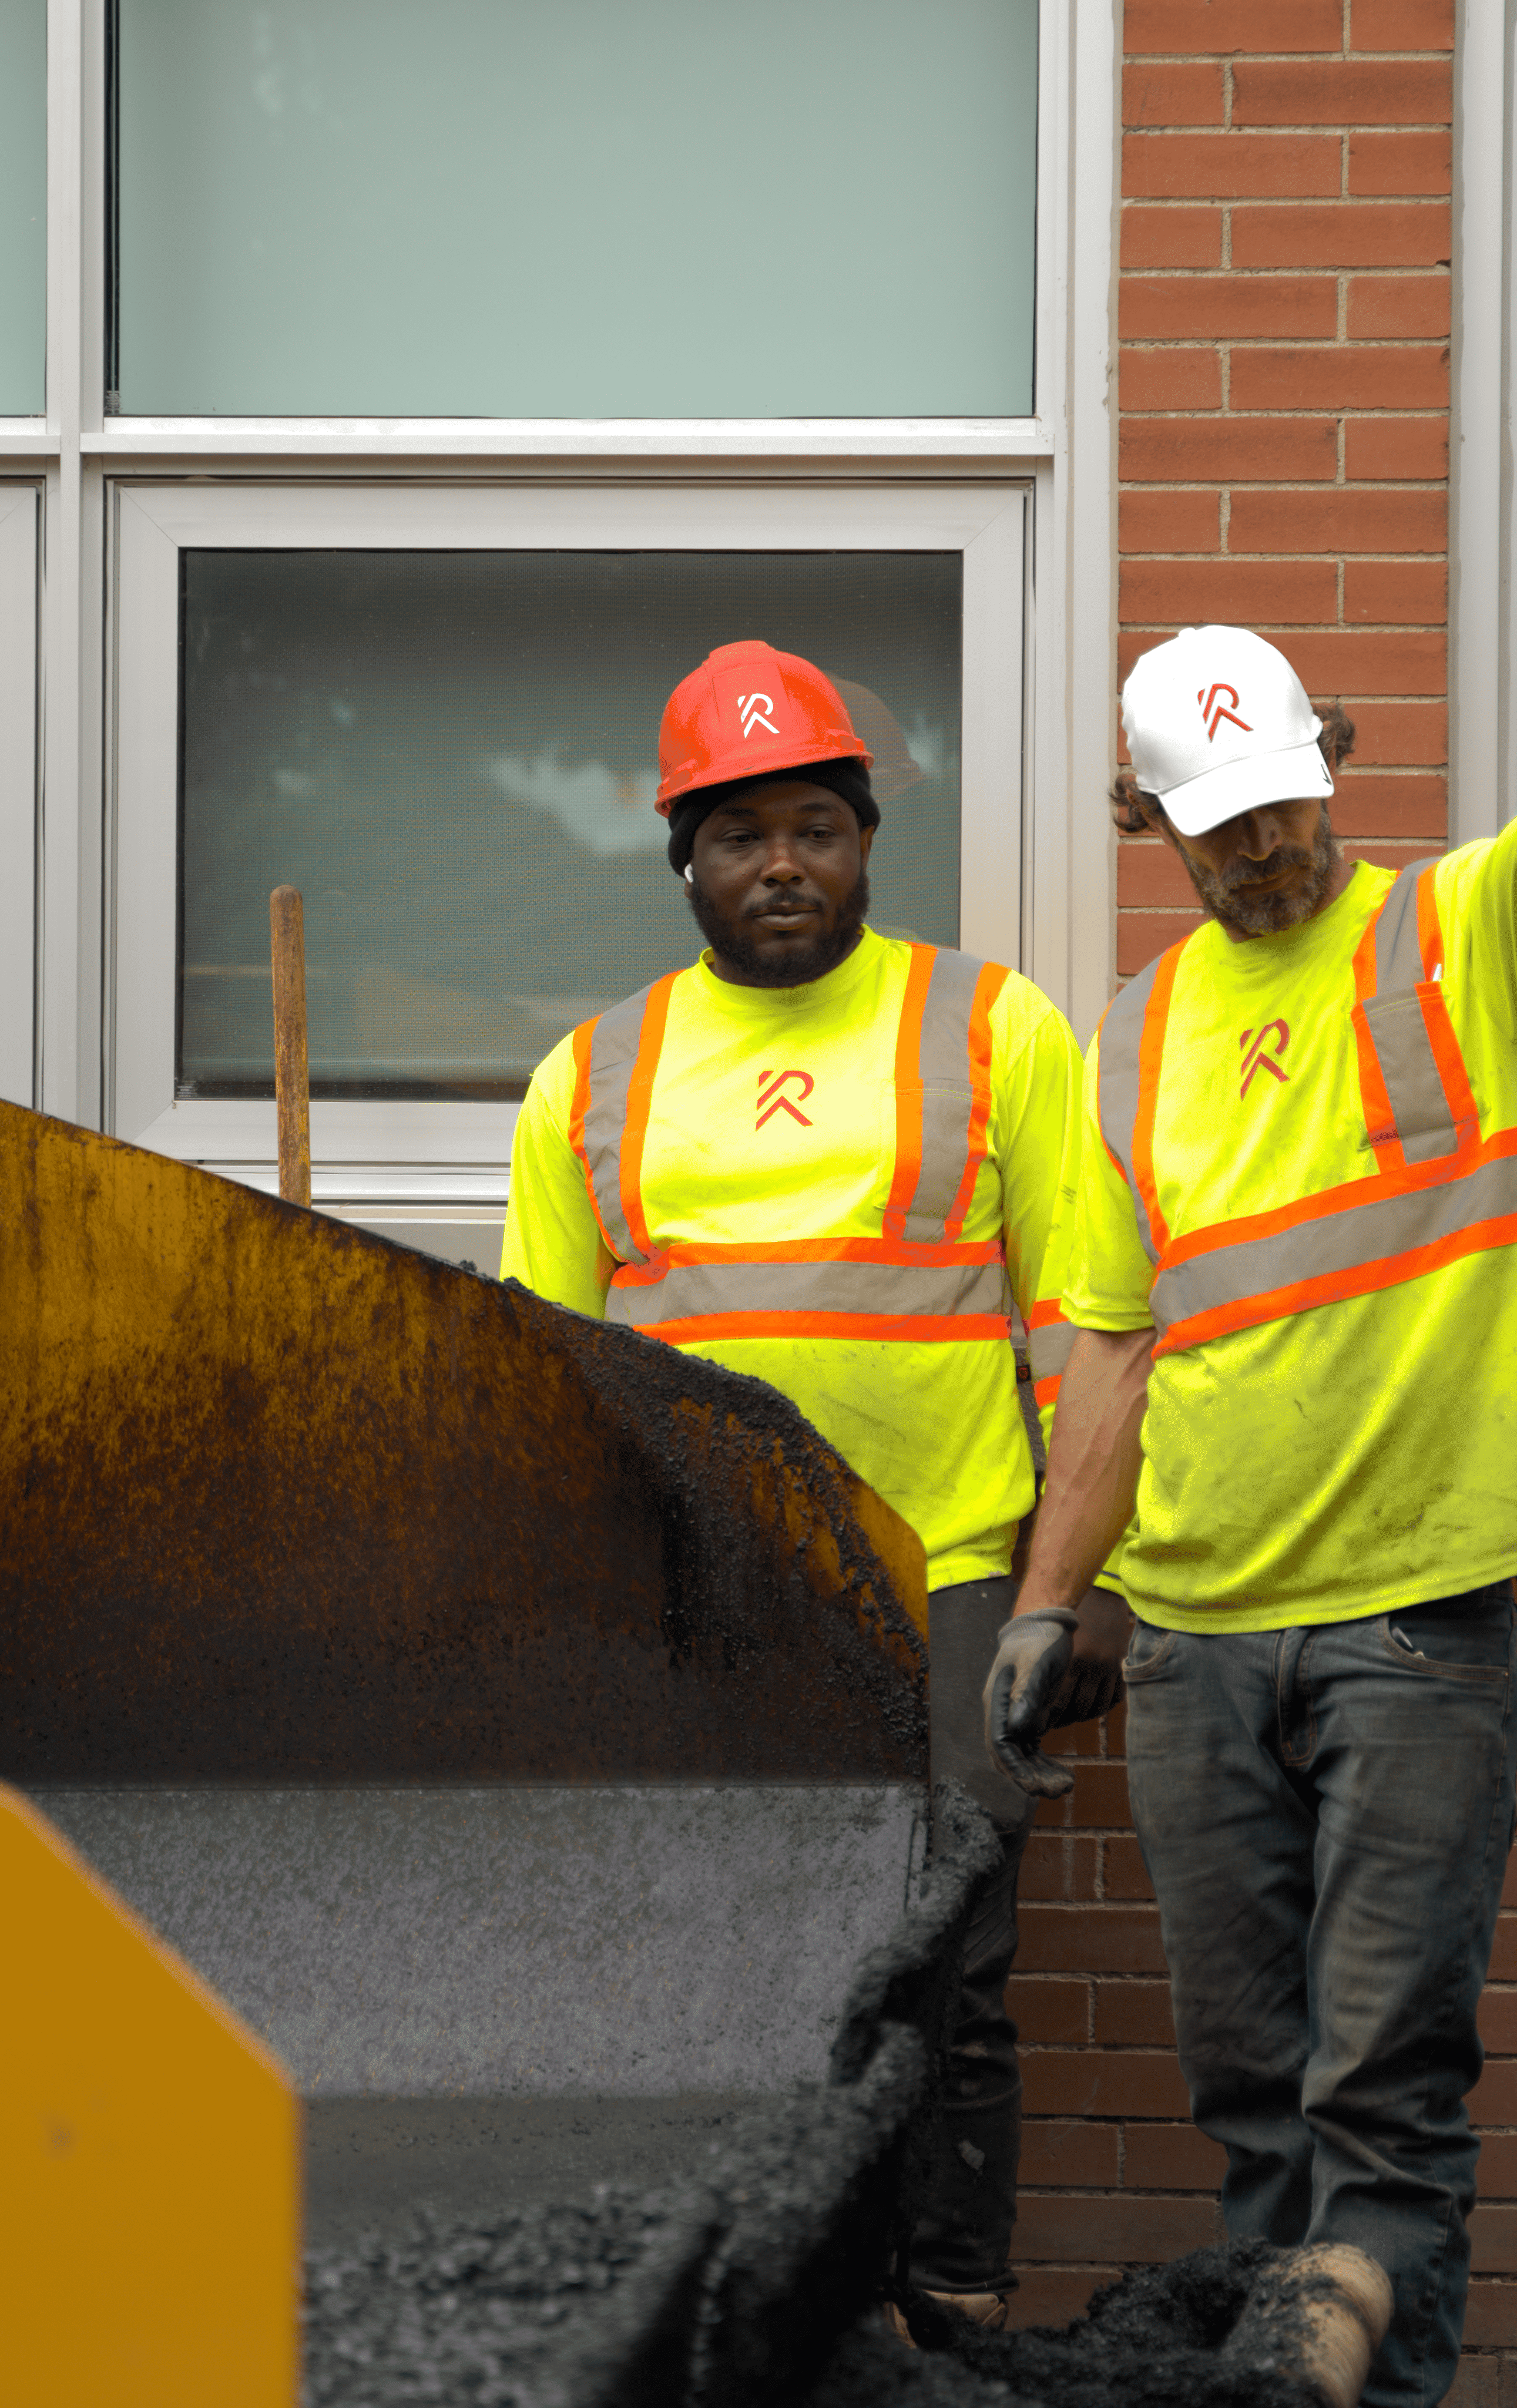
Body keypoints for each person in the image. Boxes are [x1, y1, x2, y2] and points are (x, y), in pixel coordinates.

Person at [982, 355, 1517, 2407]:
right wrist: (1044, 1603)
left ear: (1326, 768)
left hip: (1405, 1618)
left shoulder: (1450, 933)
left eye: (1278, 800)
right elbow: (1106, 1360)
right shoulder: (1133, 1033)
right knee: (1251, 2108)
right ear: (1149, 824)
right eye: (1208, 822)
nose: (1256, 847)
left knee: (1387, 2103)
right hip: (1195, 1640)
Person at [500, 637, 1126, 2323]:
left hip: (955, 1584)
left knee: (949, 1985)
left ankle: (948, 2316)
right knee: (713, 1976)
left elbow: (1091, 1328)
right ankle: (759, 2320)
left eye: (814, 826)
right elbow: (551, 1404)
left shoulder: (991, 1027)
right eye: (737, 833)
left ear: (864, 840)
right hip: (700, 1609)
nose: (779, 863)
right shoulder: (591, 1078)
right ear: (681, 860)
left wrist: (1088, 1586)